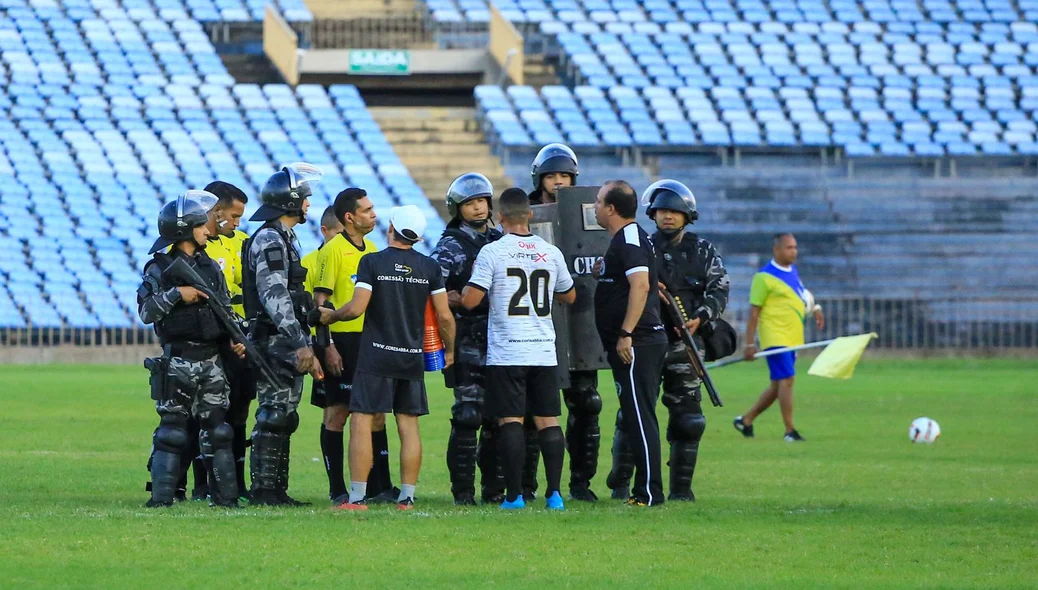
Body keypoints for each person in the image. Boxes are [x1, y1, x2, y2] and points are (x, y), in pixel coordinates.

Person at [318, 205, 456, 511]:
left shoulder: (373, 262)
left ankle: (356, 498)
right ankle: (406, 497)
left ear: (391, 227)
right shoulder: (429, 268)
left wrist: (331, 317)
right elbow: (445, 317)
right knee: (408, 426)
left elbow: (356, 308)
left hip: (376, 356)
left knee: (362, 422)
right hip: (410, 356)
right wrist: (449, 349)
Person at [606, 180, 729, 502]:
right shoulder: (642, 244)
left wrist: (700, 317)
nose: (668, 217)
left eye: (675, 211)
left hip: (684, 345)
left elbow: (719, 290)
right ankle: (621, 484)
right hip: (646, 339)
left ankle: (681, 490)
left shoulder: (702, 251)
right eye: (662, 211)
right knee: (631, 414)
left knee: (688, 419)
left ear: (687, 216)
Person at [460, 188, 576, 511]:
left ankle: (513, 497)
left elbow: (471, 301)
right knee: (548, 421)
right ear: (530, 215)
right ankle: (554, 495)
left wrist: (454, 296)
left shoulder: (493, 252)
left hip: (508, 350)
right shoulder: (550, 252)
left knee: (510, 421)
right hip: (543, 349)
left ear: (500, 217)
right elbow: (570, 296)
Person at [138, 191, 245, 508]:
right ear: (186, 229)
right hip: (178, 360)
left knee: (219, 431)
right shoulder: (158, 269)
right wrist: (177, 295)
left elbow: (224, 309)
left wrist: (236, 338)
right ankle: (161, 499)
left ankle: (226, 499)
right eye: (202, 224)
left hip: (211, 360)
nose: (209, 228)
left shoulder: (209, 267)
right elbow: (146, 312)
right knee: (172, 431)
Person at [241, 163, 324, 506]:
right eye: (304, 198)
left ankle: (277, 490)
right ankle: (264, 490)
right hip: (276, 340)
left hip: (284, 339)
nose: (308, 203)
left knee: (285, 417)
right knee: (274, 415)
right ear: (290, 202)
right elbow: (274, 295)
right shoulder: (271, 239)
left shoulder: (284, 236)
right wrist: (299, 342)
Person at [313, 189, 397, 506]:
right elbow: (320, 304)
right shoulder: (332, 250)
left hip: (369, 342)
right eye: (368, 210)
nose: (374, 214)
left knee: (377, 414)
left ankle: (380, 486)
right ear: (350, 217)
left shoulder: (373, 249)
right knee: (339, 413)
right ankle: (337, 489)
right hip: (341, 341)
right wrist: (328, 346)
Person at [528, 143, 601, 502]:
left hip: (582, 328)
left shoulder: (595, 214)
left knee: (586, 405)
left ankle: (580, 483)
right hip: (534, 328)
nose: (558, 182)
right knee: (530, 410)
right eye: (551, 175)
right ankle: (525, 484)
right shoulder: (523, 215)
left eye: (564, 175)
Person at [592, 180, 668, 507]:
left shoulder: (631, 238)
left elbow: (640, 285)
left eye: (597, 201)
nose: (594, 207)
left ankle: (649, 493)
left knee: (640, 417)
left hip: (638, 343)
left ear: (611, 208)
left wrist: (625, 333)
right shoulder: (623, 241)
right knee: (636, 415)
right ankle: (646, 490)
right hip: (633, 342)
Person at [432, 172, 505, 506]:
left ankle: (494, 490)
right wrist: (453, 298)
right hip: (465, 339)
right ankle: (462, 492)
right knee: (467, 415)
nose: (478, 208)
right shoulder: (449, 245)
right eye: (470, 203)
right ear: (456, 209)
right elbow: (430, 289)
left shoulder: (502, 240)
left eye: (482, 201)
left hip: (502, 338)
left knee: (497, 418)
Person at [734, 233, 824, 442]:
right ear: (777, 250)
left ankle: (746, 420)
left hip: (792, 337)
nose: (794, 251)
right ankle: (789, 431)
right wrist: (749, 344)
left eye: (795, 247)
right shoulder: (763, 277)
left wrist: (815, 309)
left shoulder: (792, 271)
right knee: (787, 380)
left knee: (778, 386)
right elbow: (754, 313)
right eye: (789, 247)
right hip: (774, 337)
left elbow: (800, 296)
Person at [201, 180, 253, 502]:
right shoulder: (198, 242)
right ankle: (202, 485)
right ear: (215, 210)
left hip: (240, 338)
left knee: (240, 409)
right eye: (233, 216)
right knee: (205, 414)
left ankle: (236, 482)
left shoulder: (245, 242)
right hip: (211, 338)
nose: (236, 223)